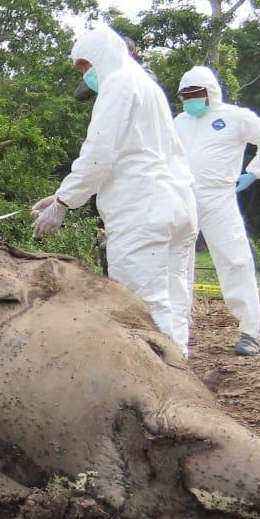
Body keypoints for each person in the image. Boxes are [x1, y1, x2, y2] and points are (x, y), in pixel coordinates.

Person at [31, 27, 198, 354]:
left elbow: (100, 153)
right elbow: (130, 151)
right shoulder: (148, 86)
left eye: (84, 66)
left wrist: (63, 203)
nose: (85, 75)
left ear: (99, 55)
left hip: (143, 210)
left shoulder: (118, 83)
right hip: (177, 204)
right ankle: (181, 369)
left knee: (142, 305)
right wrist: (61, 193)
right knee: (175, 300)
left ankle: (159, 379)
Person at [174, 66, 260, 357]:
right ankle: (176, 329)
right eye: (185, 95)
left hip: (219, 198)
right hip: (183, 197)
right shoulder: (179, 122)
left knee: (235, 261)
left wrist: (254, 173)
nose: (190, 100)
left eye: (195, 94)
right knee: (177, 264)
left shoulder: (235, 117)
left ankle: (250, 331)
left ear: (210, 92)